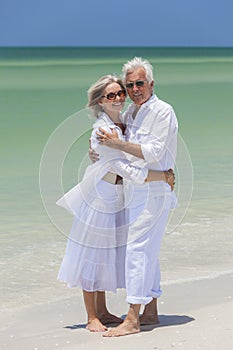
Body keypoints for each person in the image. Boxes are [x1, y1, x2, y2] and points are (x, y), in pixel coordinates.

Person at [56, 75, 175, 333]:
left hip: (120, 196)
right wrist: (163, 175)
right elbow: (126, 168)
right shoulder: (103, 128)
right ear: (100, 101)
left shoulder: (126, 120)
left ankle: (103, 310)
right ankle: (91, 316)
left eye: (120, 92)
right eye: (111, 95)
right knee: (93, 253)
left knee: (108, 252)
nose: (119, 97)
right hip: (101, 195)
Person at [94, 57, 178, 337]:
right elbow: (116, 148)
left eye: (139, 83)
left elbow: (153, 153)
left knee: (137, 250)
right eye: (129, 85)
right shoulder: (131, 113)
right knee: (148, 250)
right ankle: (151, 309)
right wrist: (98, 150)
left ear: (151, 84)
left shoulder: (163, 111)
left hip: (154, 192)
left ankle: (132, 318)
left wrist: (115, 144)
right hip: (137, 190)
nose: (134, 89)